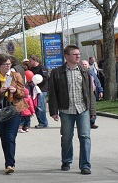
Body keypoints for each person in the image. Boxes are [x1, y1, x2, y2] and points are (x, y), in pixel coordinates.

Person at [48, 45, 96, 175]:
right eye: (74, 54)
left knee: (85, 137)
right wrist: (53, 111)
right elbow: (53, 93)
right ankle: (66, 160)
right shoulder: (57, 72)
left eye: (79, 54)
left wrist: (92, 111)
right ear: (67, 56)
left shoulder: (85, 71)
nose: (78, 56)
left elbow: (90, 93)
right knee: (67, 137)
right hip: (66, 110)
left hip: (82, 109)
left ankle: (85, 165)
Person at [0, 53, 28, 174]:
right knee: (4, 138)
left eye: (9, 64)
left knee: (10, 137)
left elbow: (23, 92)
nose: (8, 66)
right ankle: (8, 162)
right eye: (5, 64)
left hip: (14, 110)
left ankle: (10, 164)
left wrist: (15, 91)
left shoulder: (16, 76)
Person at [81, 60, 103, 129]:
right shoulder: (79, 73)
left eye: (85, 64)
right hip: (83, 94)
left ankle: (92, 122)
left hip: (92, 93)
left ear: (88, 65)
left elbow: (97, 82)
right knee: (85, 108)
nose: (84, 66)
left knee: (93, 108)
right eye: (83, 64)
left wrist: (100, 91)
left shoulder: (92, 73)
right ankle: (84, 123)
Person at [29, 55, 49, 129]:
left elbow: (45, 78)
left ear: (35, 60)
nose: (30, 62)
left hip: (42, 90)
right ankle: (42, 122)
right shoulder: (31, 69)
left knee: (41, 106)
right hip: (34, 90)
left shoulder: (42, 68)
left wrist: (37, 82)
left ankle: (43, 122)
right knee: (36, 106)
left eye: (30, 60)